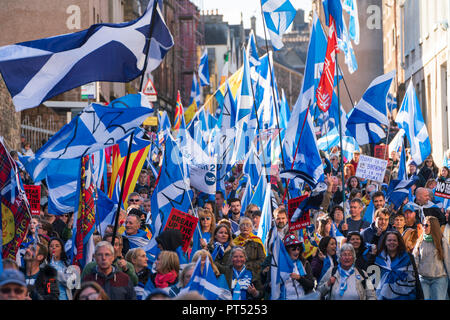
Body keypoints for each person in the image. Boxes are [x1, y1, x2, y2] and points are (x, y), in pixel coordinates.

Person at [372, 231, 423, 300]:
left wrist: (420, 296)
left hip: (405, 296)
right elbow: (372, 279)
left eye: (394, 240)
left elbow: (415, 277)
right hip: (383, 296)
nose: (392, 242)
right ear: (385, 242)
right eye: (389, 240)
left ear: (398, 243)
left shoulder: (407, 257)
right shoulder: (379, 258)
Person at [412, 216, 450, 300]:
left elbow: (448, 261)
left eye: (426, 225)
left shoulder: (442, 241)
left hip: (439, 279)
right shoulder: (420, 241)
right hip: (423, 278)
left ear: (433, 227)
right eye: (423, 225)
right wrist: (413, 277)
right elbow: (415, 260)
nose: (424, 227)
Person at [280, 233, 315, 300]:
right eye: (293, 249)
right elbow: (266, 287)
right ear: (287, 251)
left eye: (298, 249)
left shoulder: (304, 263)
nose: (297, 252)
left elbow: (311, 284)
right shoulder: (278, 266)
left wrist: (299, 278)